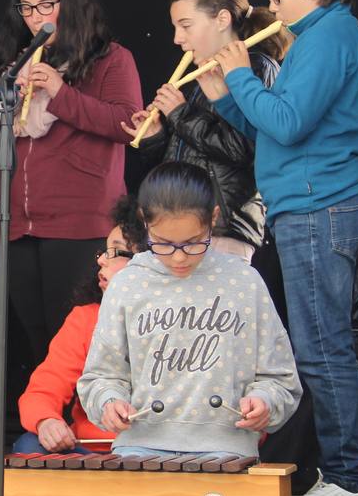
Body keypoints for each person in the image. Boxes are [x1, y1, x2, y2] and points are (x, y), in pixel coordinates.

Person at [205, 0, 358, 496]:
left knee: (321, 348)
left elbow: (288, 122)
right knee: (319, 344)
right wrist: (227, 96)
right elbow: (271, 132)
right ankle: (356, 478)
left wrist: (239, 76)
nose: (270, 5)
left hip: (320, 204)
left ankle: (352, 481)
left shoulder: (328, 34)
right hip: (309, 201)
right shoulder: (313, 37)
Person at [0, 0, 142, 368]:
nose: (35, 17)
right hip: (17, 223)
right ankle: (49, 425)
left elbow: (127, 124)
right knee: (37, 341)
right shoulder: (18, 60)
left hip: (81, 223)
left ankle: (86, 428)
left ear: (73, 3)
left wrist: (60, 92)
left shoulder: (110, 59)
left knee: (79, 338)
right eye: (26, 7)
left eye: (47, 5)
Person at [78, 162, 302, 459]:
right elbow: (100, 377)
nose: (179, 257)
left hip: (225, 450)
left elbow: (281, 378)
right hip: (139, 448)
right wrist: (109, 402)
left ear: (213, 220)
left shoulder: (244, 282)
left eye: (194, 243)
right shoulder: (127, 284)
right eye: (164, 244)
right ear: (146, 224)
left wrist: (265, 402)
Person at [122, 0, 290, 262]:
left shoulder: (256, 68)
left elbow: (248, 150)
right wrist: (155, 138)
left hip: (221, 229)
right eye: (175, 27)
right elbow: (196, 155)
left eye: (186, 25)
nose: (178, 38)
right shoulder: (206, 70)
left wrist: (180, 113)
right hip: (180, 222)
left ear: (222, 19)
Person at [13, 195, 145, 455]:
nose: (101, 260)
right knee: (30, 445)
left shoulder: (181, 315)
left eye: (116, 251)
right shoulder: (85, 318)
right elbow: (44, 388)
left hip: (158, 453)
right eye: (103, 251)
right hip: (91, 451)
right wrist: (46, 421)